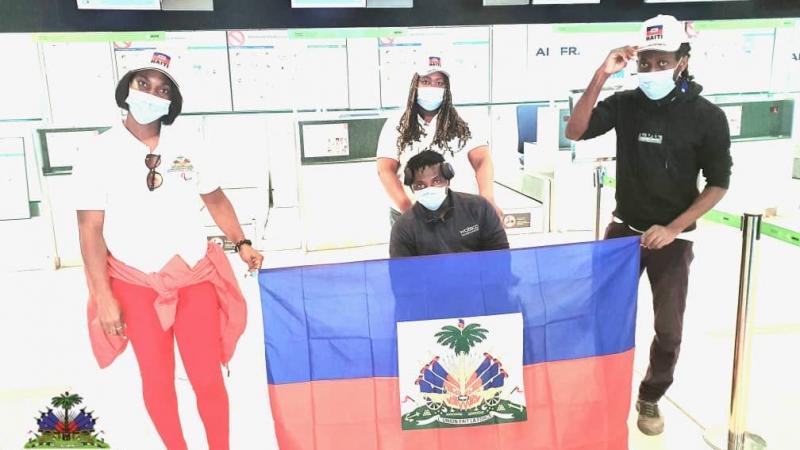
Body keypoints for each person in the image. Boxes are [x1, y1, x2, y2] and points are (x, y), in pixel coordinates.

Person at [73, 48, 264, 450]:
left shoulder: (189, 144)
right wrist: (103, 297)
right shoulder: (96, 152)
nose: (152, 94)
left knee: (207, 378)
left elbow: (215, 198)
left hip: (192, 277)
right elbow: (90, 229)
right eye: (144, 84)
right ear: (126, 89)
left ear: (172, 102)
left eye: (163, 90)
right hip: (135, 284)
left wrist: (243, 242)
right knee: (156, 379)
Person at [565, 15, 732, 436]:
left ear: (682, 61)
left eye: (663, 61)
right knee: (603, 317)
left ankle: (651, 395)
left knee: (669, 329)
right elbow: (576, 129)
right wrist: (602, 75)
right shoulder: (626, 103)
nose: (653, 70)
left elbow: (718, 184)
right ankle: (603, 391)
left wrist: (675, 228)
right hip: (624, 231)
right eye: (646, 62)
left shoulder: (707, 116)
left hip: (673, 238)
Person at [376, 54, 502, 225]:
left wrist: (487, 199)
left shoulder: (466, 120)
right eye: (426, 82)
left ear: (447, 88)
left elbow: (482, 160)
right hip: (409, 214)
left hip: (460, 213)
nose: (433, 88)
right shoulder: (396, 123)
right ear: (415, 84)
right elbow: (385, 170)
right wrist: (408, 209)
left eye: (439, 83)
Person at [390, 151, 509, 257]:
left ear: (447, 180)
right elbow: (402, 276)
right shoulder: (403, 227)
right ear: (412, 188)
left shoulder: (479, 208)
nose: (429, 189)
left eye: (436, 181)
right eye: (420, 185)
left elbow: (501, 255)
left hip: (477, 280)